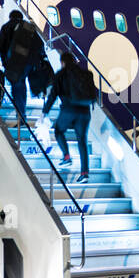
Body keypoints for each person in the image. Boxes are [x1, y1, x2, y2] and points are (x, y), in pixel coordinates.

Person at [43, 51, 96, 182]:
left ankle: (66, 157)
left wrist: (45, 112)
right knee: (82, 140)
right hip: (85, 111)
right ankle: (84, 173)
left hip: (69, 110)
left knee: (58, 131)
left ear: (63, 62)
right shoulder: (87, 74)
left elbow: (53, 95)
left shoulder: (61, 74)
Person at [0, 10, 43, 123]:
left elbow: (0, 43)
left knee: (17, 87)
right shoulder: (29, 27)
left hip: (14, 63)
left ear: (10, 17)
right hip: (29, 63)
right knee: (21, 85)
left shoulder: (7, 26)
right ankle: (22, 112)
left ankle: (21, 115)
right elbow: (40, 45)